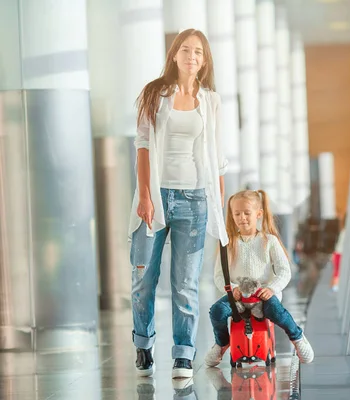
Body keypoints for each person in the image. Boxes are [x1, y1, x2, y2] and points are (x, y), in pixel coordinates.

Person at [128, 29, 229, 379]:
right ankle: (143, 343)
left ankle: (183, 355)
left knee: (185, 285)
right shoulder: (155, 93)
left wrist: (219, 207)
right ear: (174, 55)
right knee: (144, 280)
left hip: (195, 200)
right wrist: (144, 195)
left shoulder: (211, 101)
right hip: (156, 197)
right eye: (185, 50)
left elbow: (217, 160)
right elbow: (142, 145)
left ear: (204, 61)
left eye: (198, 52)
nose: (191, 56)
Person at [204, 190, 315, 366]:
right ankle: (222, 342)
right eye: (237, 214)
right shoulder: (228, 244)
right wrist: (233, 289)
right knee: (216, 311)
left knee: (278, 312)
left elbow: (284, 271)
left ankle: (297, 337)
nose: (242, 218)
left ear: (258, 214)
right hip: (238, 298)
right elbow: (219, 275)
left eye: (247, 213)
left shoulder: (269, 240)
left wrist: (272, 288)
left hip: (264, 295)